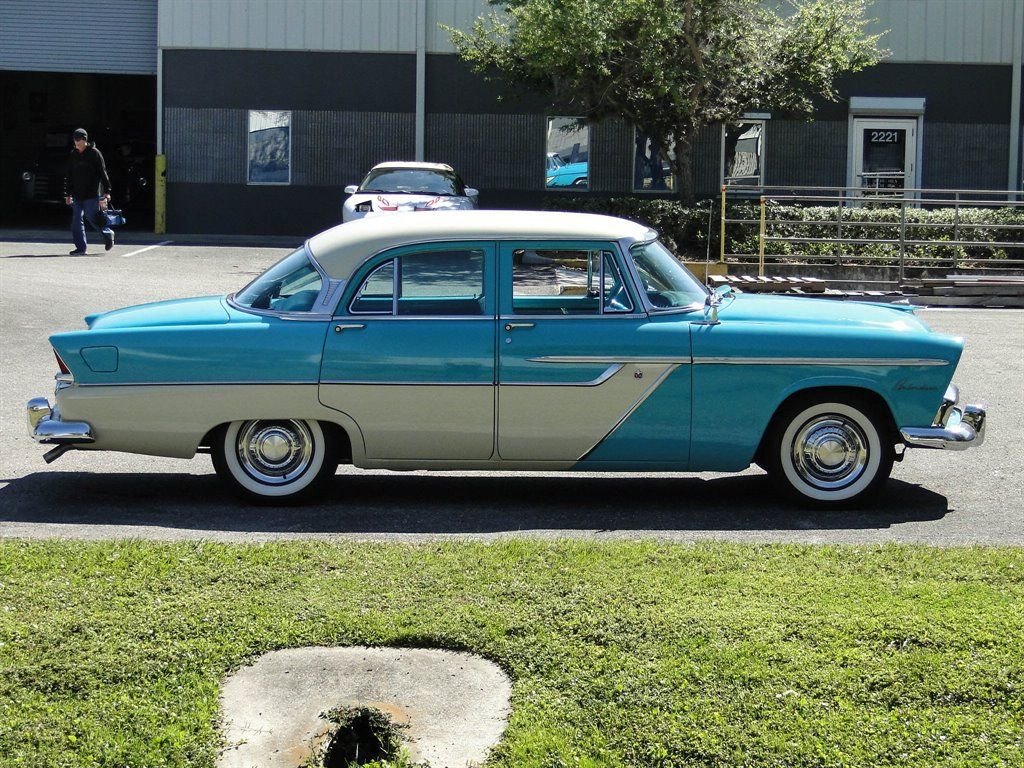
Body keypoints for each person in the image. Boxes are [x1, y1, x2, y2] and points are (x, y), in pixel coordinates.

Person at [63, 128, 114, 255]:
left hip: (92, 194)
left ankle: (108, 234)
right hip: (76, 194)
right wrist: (67, 194)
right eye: (75, 140)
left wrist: (107, 191)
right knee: (76, 221)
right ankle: (81, 248)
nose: (76, 142)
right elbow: (69, 175)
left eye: (79, 140)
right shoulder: (73, 155)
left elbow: (103, 173)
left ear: (85, 140)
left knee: (92, 218)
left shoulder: (95, 153)